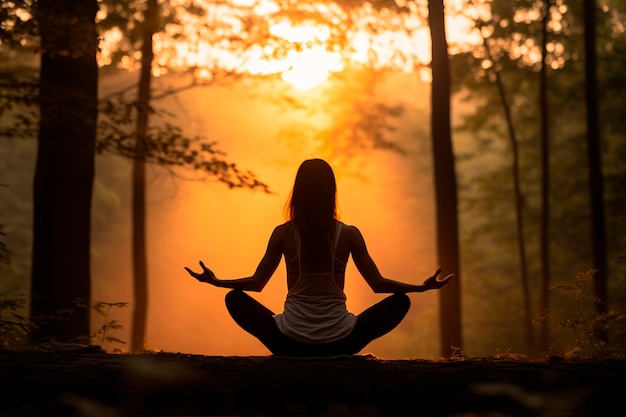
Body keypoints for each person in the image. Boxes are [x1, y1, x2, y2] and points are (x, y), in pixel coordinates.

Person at [185, 158, 453, 357]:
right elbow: (378, 284)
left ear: (298, 191)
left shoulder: (283, 234)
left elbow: (256, 283)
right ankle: (340, 357)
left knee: (233, 298)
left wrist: (216, 282)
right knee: (400, 302)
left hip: (288, 342)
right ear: (331, 190)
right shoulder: (348, 234)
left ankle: (290, 356)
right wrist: (421, 288)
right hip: (342, 342)